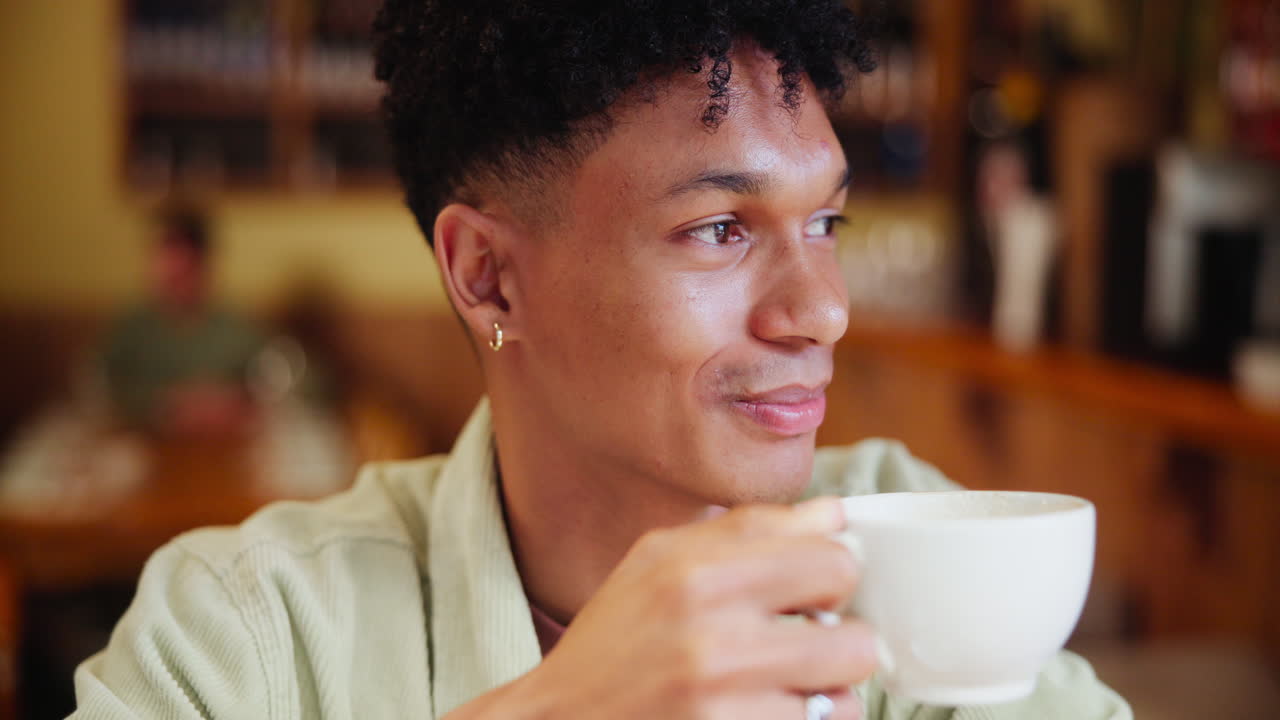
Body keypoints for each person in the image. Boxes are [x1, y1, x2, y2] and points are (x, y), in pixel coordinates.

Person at [72, 3, 1130, 718]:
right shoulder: (245, 638)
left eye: (826, 224)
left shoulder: (919, 554)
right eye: (720, 227)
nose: (823, 311)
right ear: (486, 277)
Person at [99, 207, 263, 437]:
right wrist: (166, 402)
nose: (166, 277)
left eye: (181, 272)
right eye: (160, 263)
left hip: (220, 453)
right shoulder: (132, 329)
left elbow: (280, 383)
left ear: (203, 267)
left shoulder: (236, 328)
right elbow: (100, 387)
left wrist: (238, 401)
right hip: (146, 451)